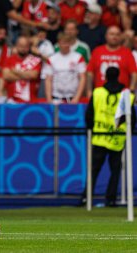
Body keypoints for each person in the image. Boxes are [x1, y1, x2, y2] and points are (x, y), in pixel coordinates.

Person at [81, 67, 136, 207]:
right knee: (115, 171)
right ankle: (110, 199)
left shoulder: (98, 92)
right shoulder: (127, 95)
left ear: (105, 76)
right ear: (120, 76)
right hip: (117, 138)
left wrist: (91, 129)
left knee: (93, 170)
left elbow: (89, 114)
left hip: (99, 137)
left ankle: (86, 198)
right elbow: (132, 119)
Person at [87, 26, 137, 97]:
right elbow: (90, 73)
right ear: (106, 36)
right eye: (112, 34)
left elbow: (134, 74)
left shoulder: (127, 53)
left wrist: (131, 91)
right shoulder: (97, 51)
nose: (114, 37)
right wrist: (89, 91)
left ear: (121, 37)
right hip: (100, 95)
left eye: (117, 34)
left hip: (121, 95)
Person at [44, 33, 86, 104]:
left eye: (67, 43)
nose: (65, 45)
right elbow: (48, 79)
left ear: (70, 44)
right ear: (58, 43)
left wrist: (77, 98)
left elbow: (82, 78)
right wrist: (49, 99)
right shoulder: (51, 59)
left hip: (73, 98)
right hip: (56, 98)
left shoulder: (78, 57)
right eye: (63, 43)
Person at [0, 36, 42, 103]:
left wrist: (16, 72)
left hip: (30, 102)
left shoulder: (35, 60)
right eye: (21, 46)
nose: (23, 48)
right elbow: (6, 76)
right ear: (16, 46)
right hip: (12, 101)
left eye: (25, 46)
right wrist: (26, 75)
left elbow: (34, 75)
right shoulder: (9, 60)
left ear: (29, 47)